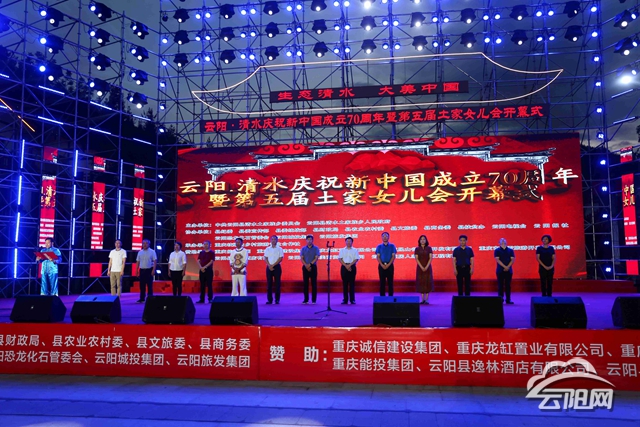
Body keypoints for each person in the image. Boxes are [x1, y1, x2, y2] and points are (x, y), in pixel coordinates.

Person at [338, 236, 360, 305]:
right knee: (345, 284)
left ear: (352, 242)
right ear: (345, 242)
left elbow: (356, 259)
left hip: (352, 267)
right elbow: (340, 259)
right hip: (344, 267)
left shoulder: (355, 250)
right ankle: (345, 299)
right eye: (347, 241)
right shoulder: (342, 250)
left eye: (350, 241)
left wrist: (349, 265)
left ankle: (352, 299)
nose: (348, 242)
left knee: (352, 284)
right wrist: (346, 265)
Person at [300, 235, 320, 304]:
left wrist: (310, 264)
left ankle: (314, 300)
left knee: (314, 283)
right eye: (308, 239)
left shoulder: (316, 248)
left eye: (310, 239)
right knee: (305, 284)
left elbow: (316, 257)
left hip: (313, 267)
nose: (309, 241)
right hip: (305, 267)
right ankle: (306, 299)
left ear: (312, 240)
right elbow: (302, 258)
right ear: (306, 240)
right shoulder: (303, 249)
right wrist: (306, 265)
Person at [264, 235, 284, 304]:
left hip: (277, 267)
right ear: (270, 240)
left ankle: (277, 299)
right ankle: (270, 300)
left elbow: (280, 258)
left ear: (277, 240)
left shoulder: (279, 249)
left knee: (277, 284)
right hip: (269, 267)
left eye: (274, 239)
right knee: (269, 284)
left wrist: (273, 265)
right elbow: (265, 258)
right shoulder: (267, 249)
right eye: (272, 239)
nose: (273, 241)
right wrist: (269, 265)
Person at [494, 238, 515, 304]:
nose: (503, 241)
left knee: (508, 285)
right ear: (499, 243)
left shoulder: (510, 250)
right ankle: (500, 299)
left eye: (504, 240)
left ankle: (508, 299)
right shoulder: (497, 250)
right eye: (501, 241)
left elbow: (512, 259)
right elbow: (497, 260)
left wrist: (507, 267)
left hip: (509, 270)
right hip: (500, 270)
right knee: (500, 285)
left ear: (506, 242)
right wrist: (504, 267)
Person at [376, 232, 397, 296]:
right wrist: (382, 265)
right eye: (383, 236)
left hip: (390, 265)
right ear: (381, 237)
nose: (385, 237)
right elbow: (378, 256)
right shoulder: (379, 246)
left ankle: (390, 297)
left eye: (386, 236)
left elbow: (393, 256)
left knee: (390, 282)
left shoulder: (392, 246)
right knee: (382, 282)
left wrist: (388, 264)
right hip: (381, 265)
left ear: (388, 237)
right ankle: (382, 297)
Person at [415, 235, 433, 304]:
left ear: (426, 240)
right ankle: (422, 299)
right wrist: (421, 267)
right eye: (421, 239)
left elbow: (430, 258)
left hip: (428, 267)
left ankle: (427, 299)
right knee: (421, 282)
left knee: (427, 282)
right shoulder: (417, 249)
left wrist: (426, 266)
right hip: (420, 268)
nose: (422, 240)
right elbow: (416, 259)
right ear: (419, 241)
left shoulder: (429, 248)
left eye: (424, 239)